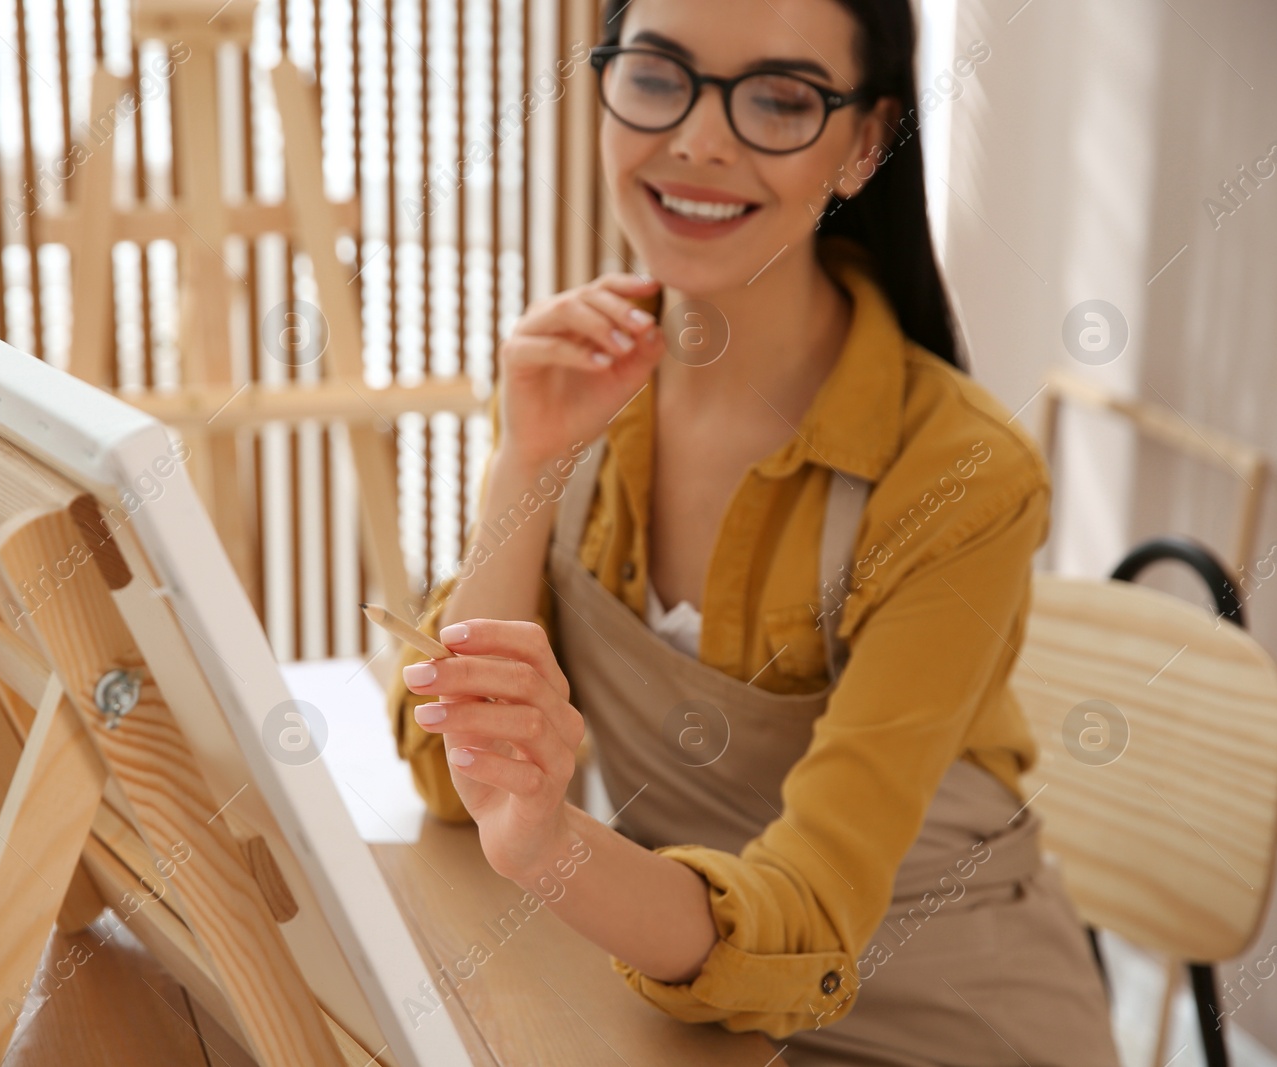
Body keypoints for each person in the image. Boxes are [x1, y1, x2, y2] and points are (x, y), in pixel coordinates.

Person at [384, 0, 1120, 1061]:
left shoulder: (961, 477)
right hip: (683, 1011)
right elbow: (449, 773)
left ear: (865, 143)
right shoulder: (581, 385)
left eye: (777, 97)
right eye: (656, 75)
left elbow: (814, 918)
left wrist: (551, 846)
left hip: (942, 1025)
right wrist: (526, 464)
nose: (696, 138)